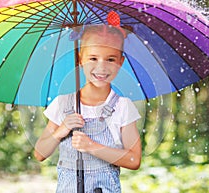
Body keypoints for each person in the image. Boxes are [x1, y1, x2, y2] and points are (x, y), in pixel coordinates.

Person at [34, 22, 142, 193]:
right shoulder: (63, 104)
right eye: (93, 58)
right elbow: (40, 153)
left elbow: (133, 160)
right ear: (80, 59)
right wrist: (61, 130)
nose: (101, 66)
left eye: (110, 59)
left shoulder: (123, 107)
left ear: (121, 62)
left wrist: (91, 146)